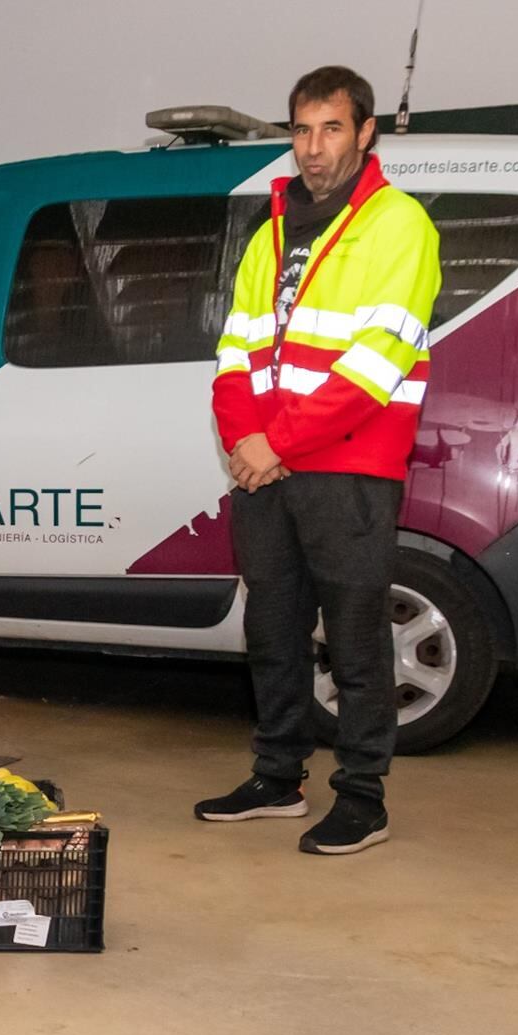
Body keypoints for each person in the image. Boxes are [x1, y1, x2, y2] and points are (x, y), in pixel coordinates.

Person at [197, 65, 441, 854]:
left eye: (331, 128)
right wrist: (244, 444)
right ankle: (277, 777)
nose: (313, 147)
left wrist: (277, 443)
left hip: (348, 468)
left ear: (365, 132)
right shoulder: (271, 230)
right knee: (271, 630)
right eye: (301, 130)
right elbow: (234, 349)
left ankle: (363, 797)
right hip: (268, 468)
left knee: (356, 639)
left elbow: (378, 361)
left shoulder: (398, 225)